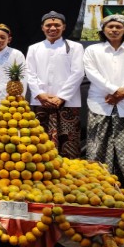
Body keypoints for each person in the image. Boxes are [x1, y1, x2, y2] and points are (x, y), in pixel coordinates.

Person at [83, 14, 124, 193]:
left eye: (118, 27)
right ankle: (96, 179)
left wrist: (120, 94)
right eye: (110, 26)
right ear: (103, 30)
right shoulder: (93, 50)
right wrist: (113, 90)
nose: (113, 30)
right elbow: (91, 73)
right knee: (97, 142)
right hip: (100, 100)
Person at [26, 11, 85, 159]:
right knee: (39, 141)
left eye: (57, 25)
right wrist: (40, 94)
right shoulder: (34, 48)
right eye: (49, 25)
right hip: (41, 101)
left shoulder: (74, 47)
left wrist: (62, 96)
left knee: (68, 140)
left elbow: (77, 73)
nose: (52, 28)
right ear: (42, 27)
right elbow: (29, 73)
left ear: (63, 27)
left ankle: (70, 172)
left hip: (67, 102)